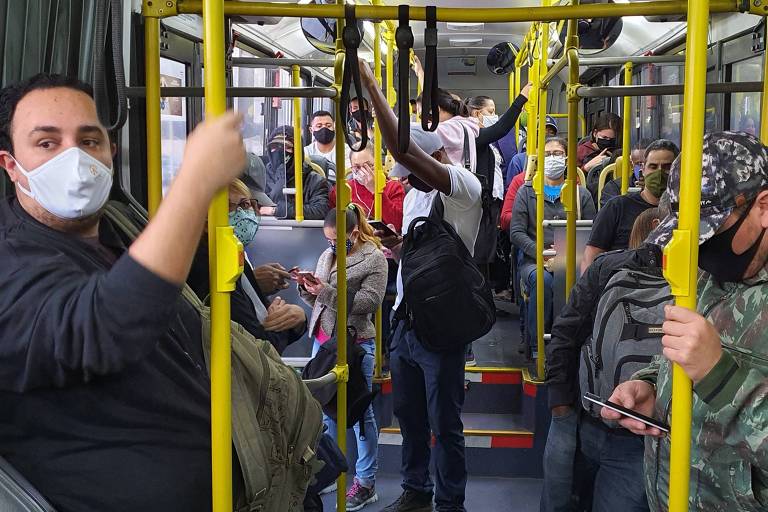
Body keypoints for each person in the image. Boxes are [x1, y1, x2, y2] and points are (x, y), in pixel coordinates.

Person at [0, 73, 247, 511]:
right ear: (10, 164)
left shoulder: (120, 226)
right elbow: (103, 328)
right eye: (47, 144)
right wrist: (195, 184)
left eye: (89, 140)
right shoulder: (10, 261)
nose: (74, 158)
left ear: (112, 152)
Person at [603, 132, 768, 512]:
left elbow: (710, 367)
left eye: (712, 231)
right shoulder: (710, 275)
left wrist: (721, 377)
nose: (700, 249)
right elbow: (677, 361)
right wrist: (650, 389)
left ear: (762, 205)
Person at [359, 58, 482, 512]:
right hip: (406, 320)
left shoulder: (463, 187)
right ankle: (416, 490)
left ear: (436, 156)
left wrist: (372, 85)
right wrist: (397, 244)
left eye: (411, 168)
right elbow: (420, 246)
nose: (404, 178)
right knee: (409, 416)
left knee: (443, 422)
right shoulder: (414, 193)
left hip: (444, 328)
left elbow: (403, 149)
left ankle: (451, 502)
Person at [543, 205, 665, 512]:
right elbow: (567, 332)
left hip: (642, 436)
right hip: (582, 415)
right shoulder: (609, 268)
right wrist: (561, 405)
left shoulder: (708, 282)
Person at [299, 204, 387, 511]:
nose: (333, 245)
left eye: (338, 239)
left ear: (354, 231)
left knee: (360, 417)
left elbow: (370, 301)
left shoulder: (374, 258)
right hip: (324, 341)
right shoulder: (328, 256)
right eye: (328, 240)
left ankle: (365, 482)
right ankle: (327, 471)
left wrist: (324, 292)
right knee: (322, 412)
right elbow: (320, 300)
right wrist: (308, 289)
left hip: (355, 342)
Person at [188, 179, 307, 355]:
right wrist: (290, 322)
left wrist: (296, 320)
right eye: (237, 206)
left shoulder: (235, 255)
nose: (246, 214)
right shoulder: (215, 268)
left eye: (249, 205)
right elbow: (260, 346)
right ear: (206, 219)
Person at [510, 137, 596, 356]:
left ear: (567, 158)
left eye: (557, 154)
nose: (552, 159)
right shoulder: (527, 193)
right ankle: (538, 344)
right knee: (543, 281)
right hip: (536, 259)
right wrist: (541, 253)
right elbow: (517, 232)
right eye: (547, 154)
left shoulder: (580, 195)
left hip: (572, 258)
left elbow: (591, 232)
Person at [581, 139, 679, 273]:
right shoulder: (617, 207)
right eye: (653, 167)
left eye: (667, 167)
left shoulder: (687, 209)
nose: (659, 173)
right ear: (643, 170)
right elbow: (591, 257)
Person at [329, 143, 405, 232]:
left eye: (368, 165)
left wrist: (374, 190)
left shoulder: (393, 187)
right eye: (357, 167)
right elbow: (333, 225)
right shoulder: (342, 189)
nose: (363, 171)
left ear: (378, 163)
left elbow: (397, 224)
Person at [264, 125, 330, 220]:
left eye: (286, 147)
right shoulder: (261, 178)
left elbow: (320, 210)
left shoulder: (315, 181)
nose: (280, 152)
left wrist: (277, 210)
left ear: (297, 151)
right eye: (274, 147)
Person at [505, 115, 558, 189]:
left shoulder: (559, 159)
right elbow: (511, 190)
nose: (547, 136)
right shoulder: (519, 160)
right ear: (534, 135)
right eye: (542, 132)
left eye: (551, 133)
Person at [599, 139, 652, 208]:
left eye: (651, 165)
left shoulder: (666, 189)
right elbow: (612, 215)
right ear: (632, 164)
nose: (644, 168)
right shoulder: (615, 188)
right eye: (639, 164)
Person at [304, 110, 351, 182]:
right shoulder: (306, 152)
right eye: (319, 126)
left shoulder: (347, 151)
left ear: (334, 127)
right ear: (311, 130)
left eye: (328, 126)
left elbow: (348, 177)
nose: (324, 129)